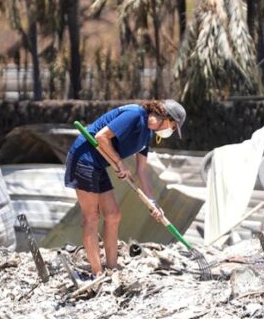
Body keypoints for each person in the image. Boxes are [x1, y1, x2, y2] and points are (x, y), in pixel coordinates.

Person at [64, 99, 186, 276]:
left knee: (113, 215)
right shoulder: (134, 114)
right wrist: (120, 162)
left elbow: (142, 170)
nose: (171, 131)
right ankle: (97, 273)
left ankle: (112, 267)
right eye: (173, 126)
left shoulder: (147, 135)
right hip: (84, 158)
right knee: (91, 217)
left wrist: (153, 202)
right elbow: (100, 137)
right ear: (164, 116)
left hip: (99, 164)